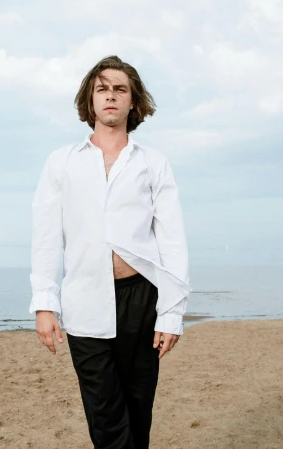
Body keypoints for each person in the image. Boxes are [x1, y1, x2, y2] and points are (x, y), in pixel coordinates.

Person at [29, 55, 191, 449]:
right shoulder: (61, 163)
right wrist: (44, 305)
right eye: (102, 89)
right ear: (90, 100)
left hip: (141, 298)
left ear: (133, 101)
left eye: (120, 89)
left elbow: (172, 241)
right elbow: (47, 237)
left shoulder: (153, 164)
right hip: (84, 298)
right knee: (104, 416)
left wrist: (172, 314)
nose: (111, 96)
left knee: (138, 410)